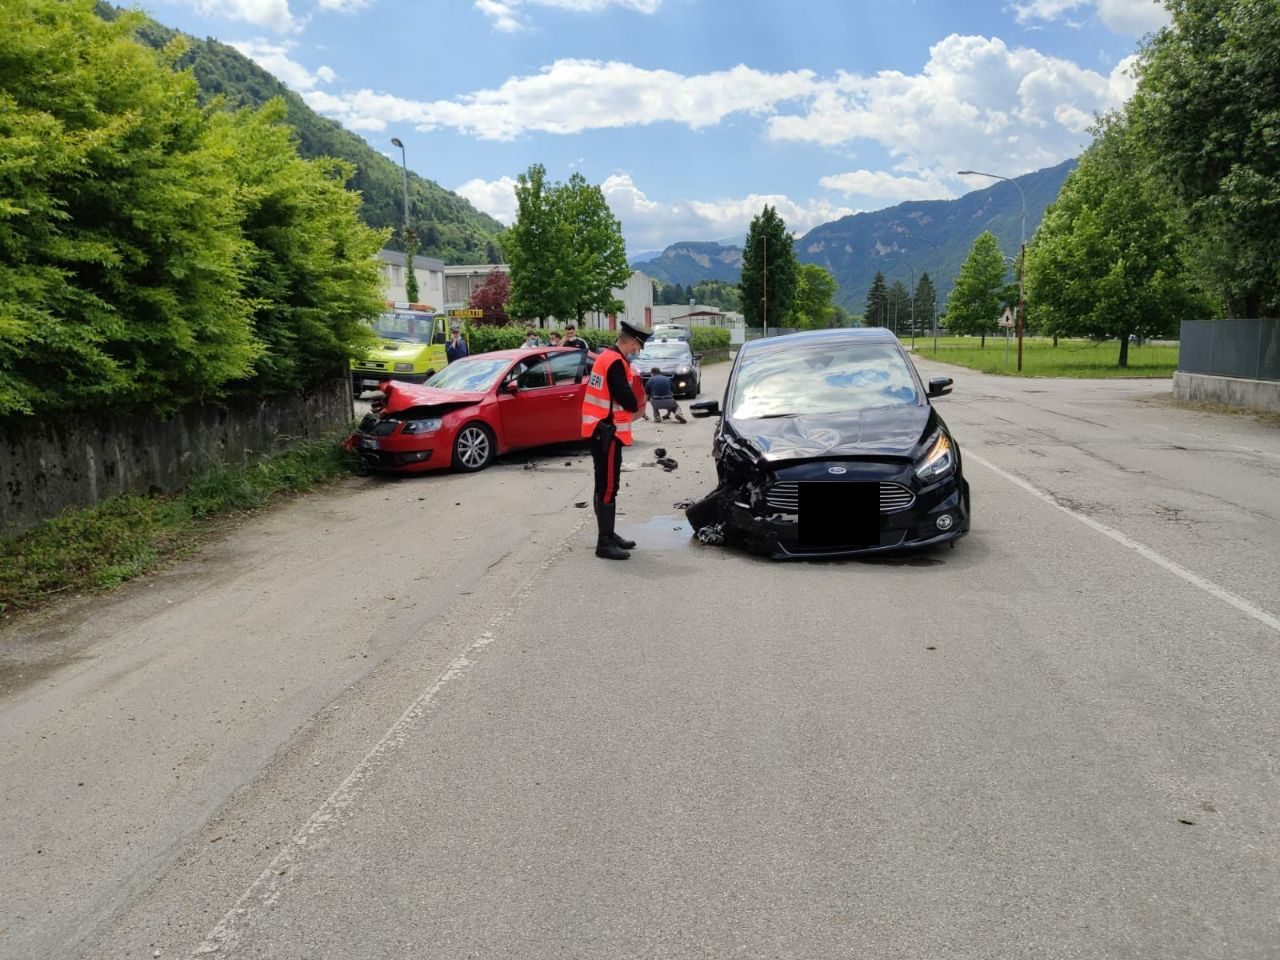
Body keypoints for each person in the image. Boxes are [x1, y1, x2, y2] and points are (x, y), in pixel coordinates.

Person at [581, 321, 648, 560]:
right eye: (636, 347)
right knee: (608, 486)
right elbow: (628, 401)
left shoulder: (604, 357)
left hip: (598, 429)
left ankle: (608, 535)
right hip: (607, 433)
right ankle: (604, 543)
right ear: (630, 342)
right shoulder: (616, 364)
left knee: (603, 484)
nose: (636, 352)